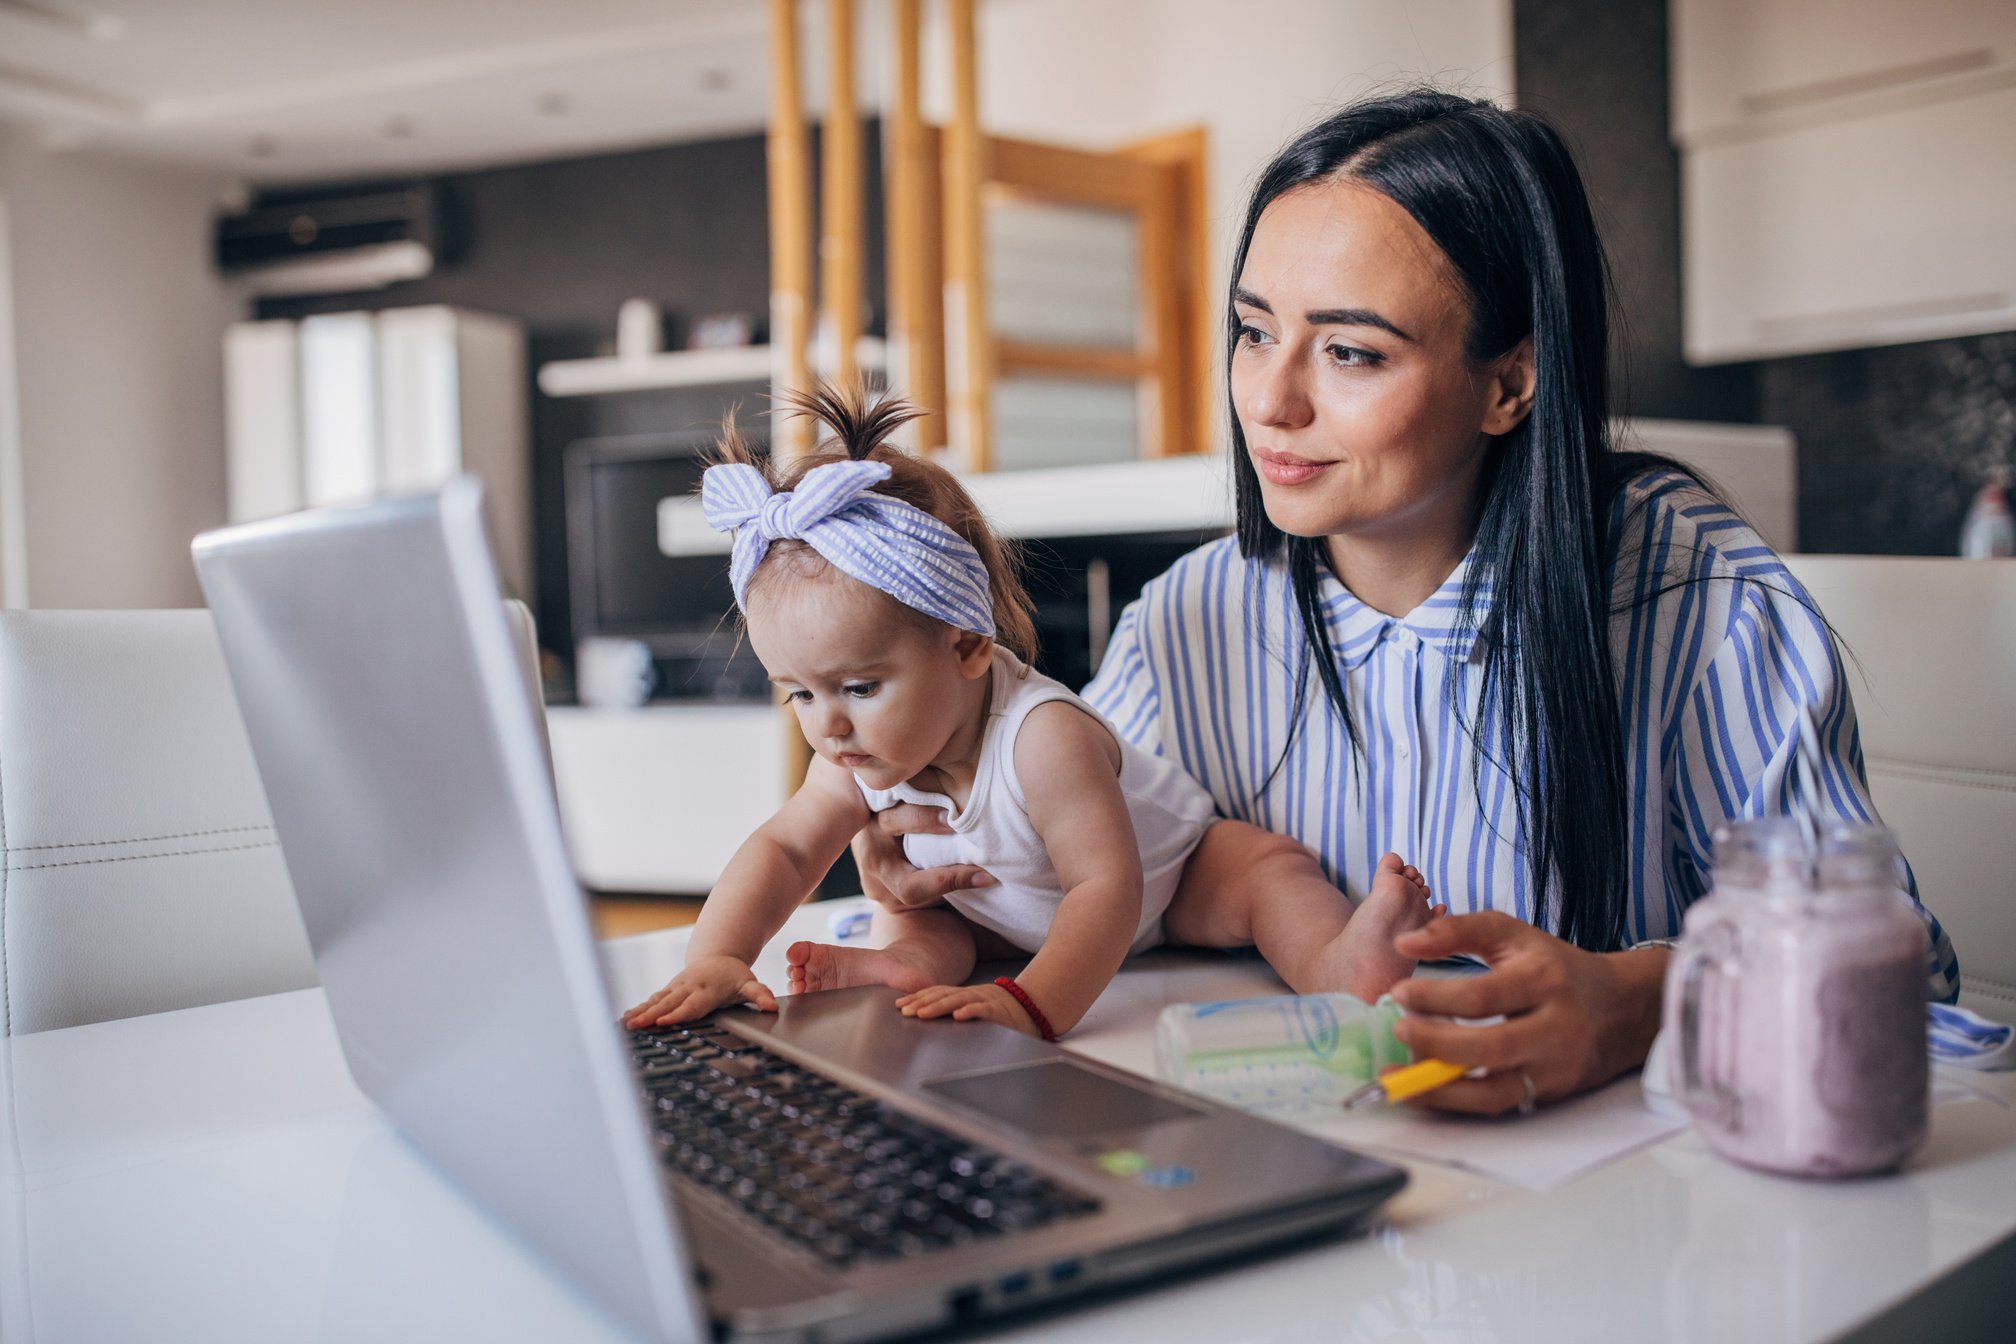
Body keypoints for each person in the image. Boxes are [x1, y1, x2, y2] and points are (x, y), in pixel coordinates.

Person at [854, 88, 1960, 1110]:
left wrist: (1642, 1004)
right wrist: (951, 893)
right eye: (1252, 332)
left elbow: (1900, 978)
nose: (1271, 401)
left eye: (1350, 352)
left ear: (1509, 382)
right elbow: (1096, 906)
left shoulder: (1694, 600)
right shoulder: (1193, 623)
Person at [622, 386, 1436, 1042]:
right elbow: (784, 848)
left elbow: (1105, 891)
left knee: (1268, 873)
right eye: (799, 692)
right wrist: (719, 956)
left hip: (1170, 880)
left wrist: (1033, 1002)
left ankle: (1339, 962)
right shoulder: (849, 752)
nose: (828, 725)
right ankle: (905, 968)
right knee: (925, 917)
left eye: (860, 687)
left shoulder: (1042, 739)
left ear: (969, 647)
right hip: (1001, 915)